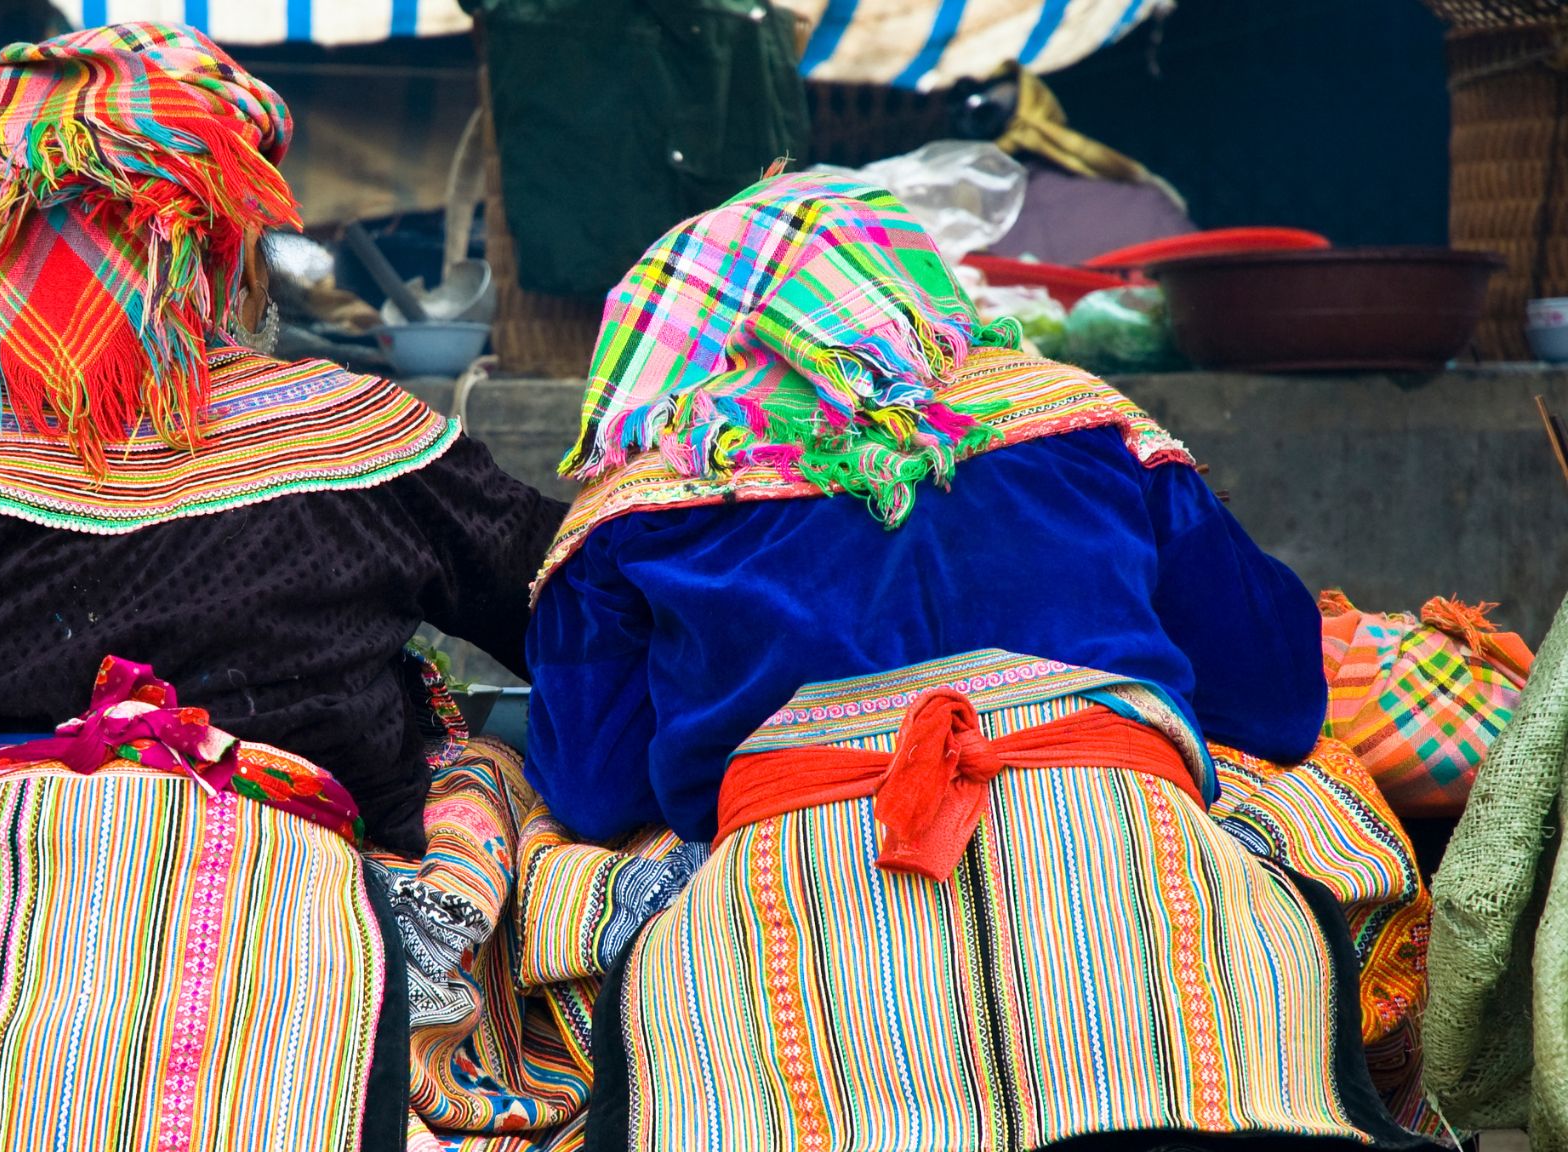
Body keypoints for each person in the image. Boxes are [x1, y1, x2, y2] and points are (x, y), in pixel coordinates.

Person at [0, 24, 561, 1151]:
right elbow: (565, 614)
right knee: (487, 783)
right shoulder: (358, 432)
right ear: (226, 242)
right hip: (277, 906)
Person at [525, 171, 1437, 1151]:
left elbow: (590, 788)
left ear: (665, 340)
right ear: (913, 283)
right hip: (1131, 904)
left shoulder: (635, 504)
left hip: (798, 940)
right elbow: (1276, 698)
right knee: (1330, 797)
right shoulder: (1082, 418)